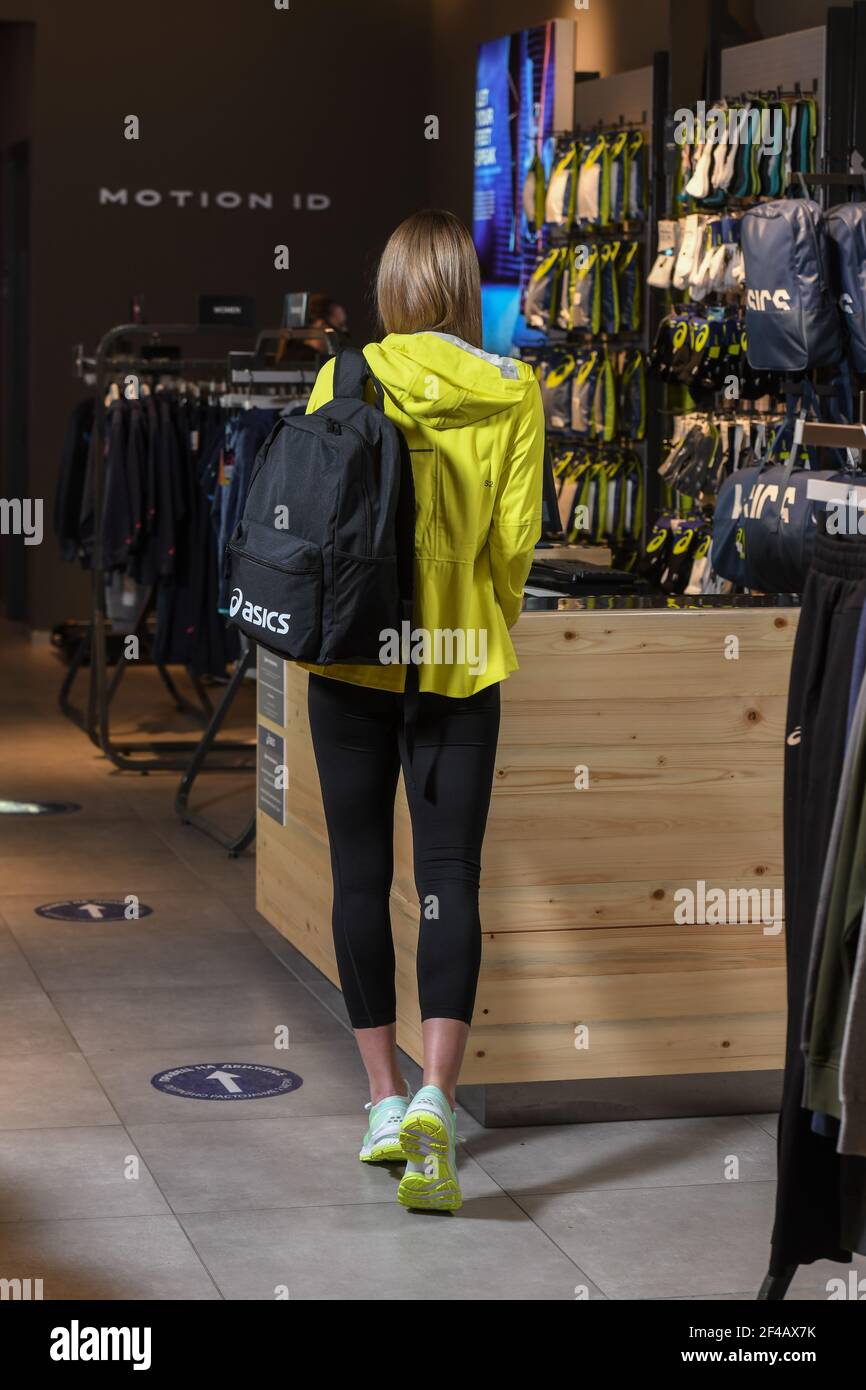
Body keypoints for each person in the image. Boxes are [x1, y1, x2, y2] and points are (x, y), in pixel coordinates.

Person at [302, 209, 544, 1211]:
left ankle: (379, 1099)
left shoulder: (343, 377)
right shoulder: (514, 389)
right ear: (460, 285)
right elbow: (517, 543)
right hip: (458, 664)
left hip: (354, 665)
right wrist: (472, 612)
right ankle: (438, 1096)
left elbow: (313, 521)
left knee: (360, 875)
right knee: (447, 879)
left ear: (393, 285)